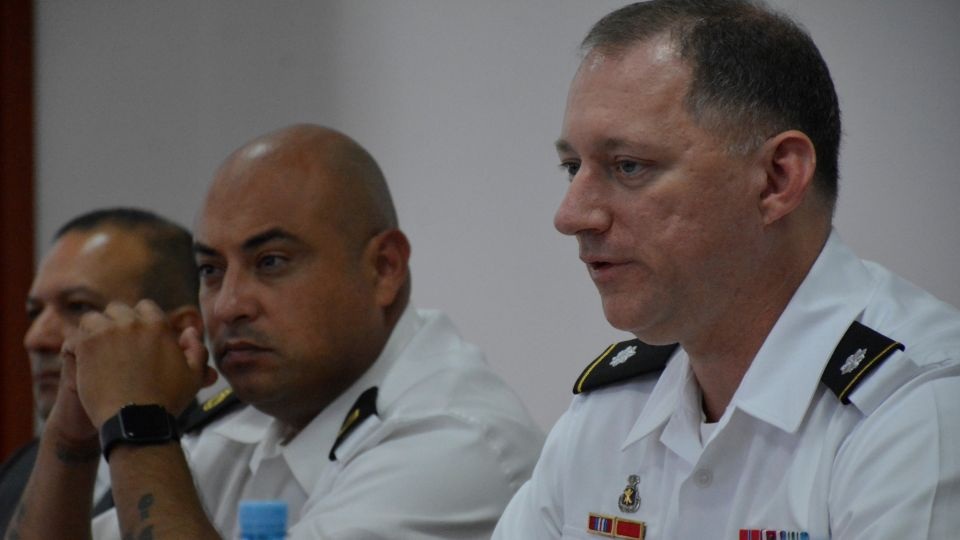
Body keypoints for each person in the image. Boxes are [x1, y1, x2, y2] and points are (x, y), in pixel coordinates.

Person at [494, 1, 960, 539]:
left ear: (776, 179)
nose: (572, 216)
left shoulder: (918, 412)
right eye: (572, 167)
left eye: (629, 166)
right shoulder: (609, 413)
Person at [6, 124, 543, 540]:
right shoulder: (244, 425)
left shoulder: (454, 441)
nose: (228, 306)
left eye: (271, 262)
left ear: (384, 268)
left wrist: (138, 420)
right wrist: (72, 434)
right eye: (211, 270)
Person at [0, 208, 202, 534]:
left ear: (177, 331)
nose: (35, 338)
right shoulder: (20, 469)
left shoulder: (219, 458)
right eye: (35, 312)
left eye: (78, 307)